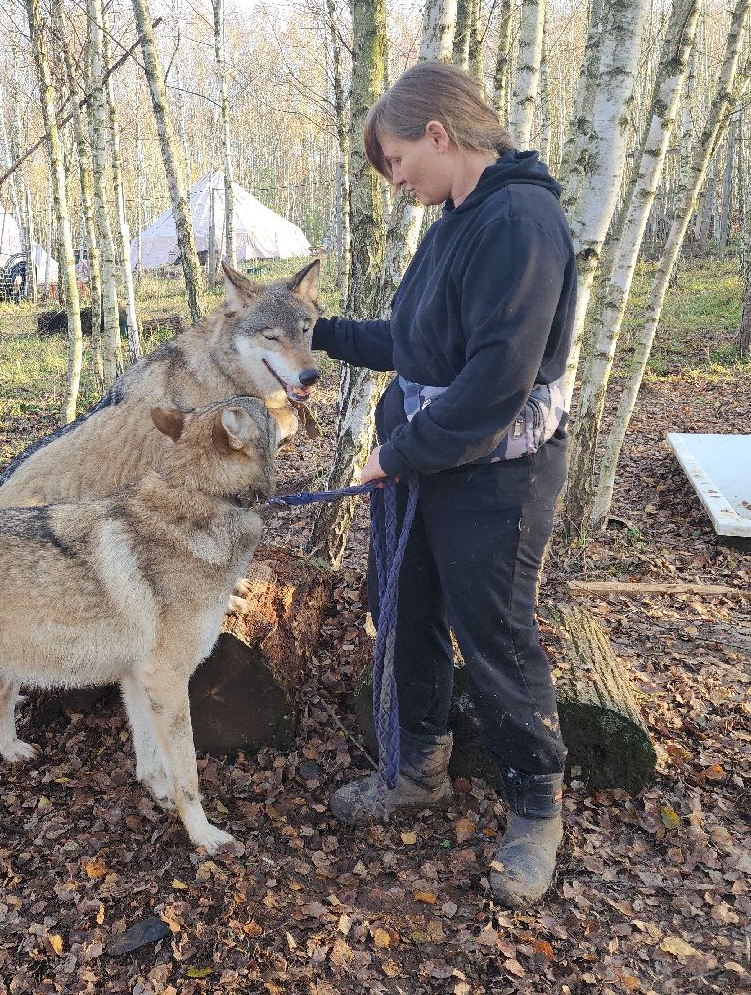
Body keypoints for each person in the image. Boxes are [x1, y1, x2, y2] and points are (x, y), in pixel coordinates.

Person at [312, 61, 577, 908]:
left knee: (495, 633)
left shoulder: (521, 221)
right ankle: (418, 770)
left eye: (395, 161)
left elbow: (499, 379)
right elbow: (416, 340)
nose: (395, 182)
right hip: (429, 463)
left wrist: (403, 451)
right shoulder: (455, 220)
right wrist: (316, 332)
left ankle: (537, 807)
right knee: (409, 609)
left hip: (498, 476)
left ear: (437, 133)